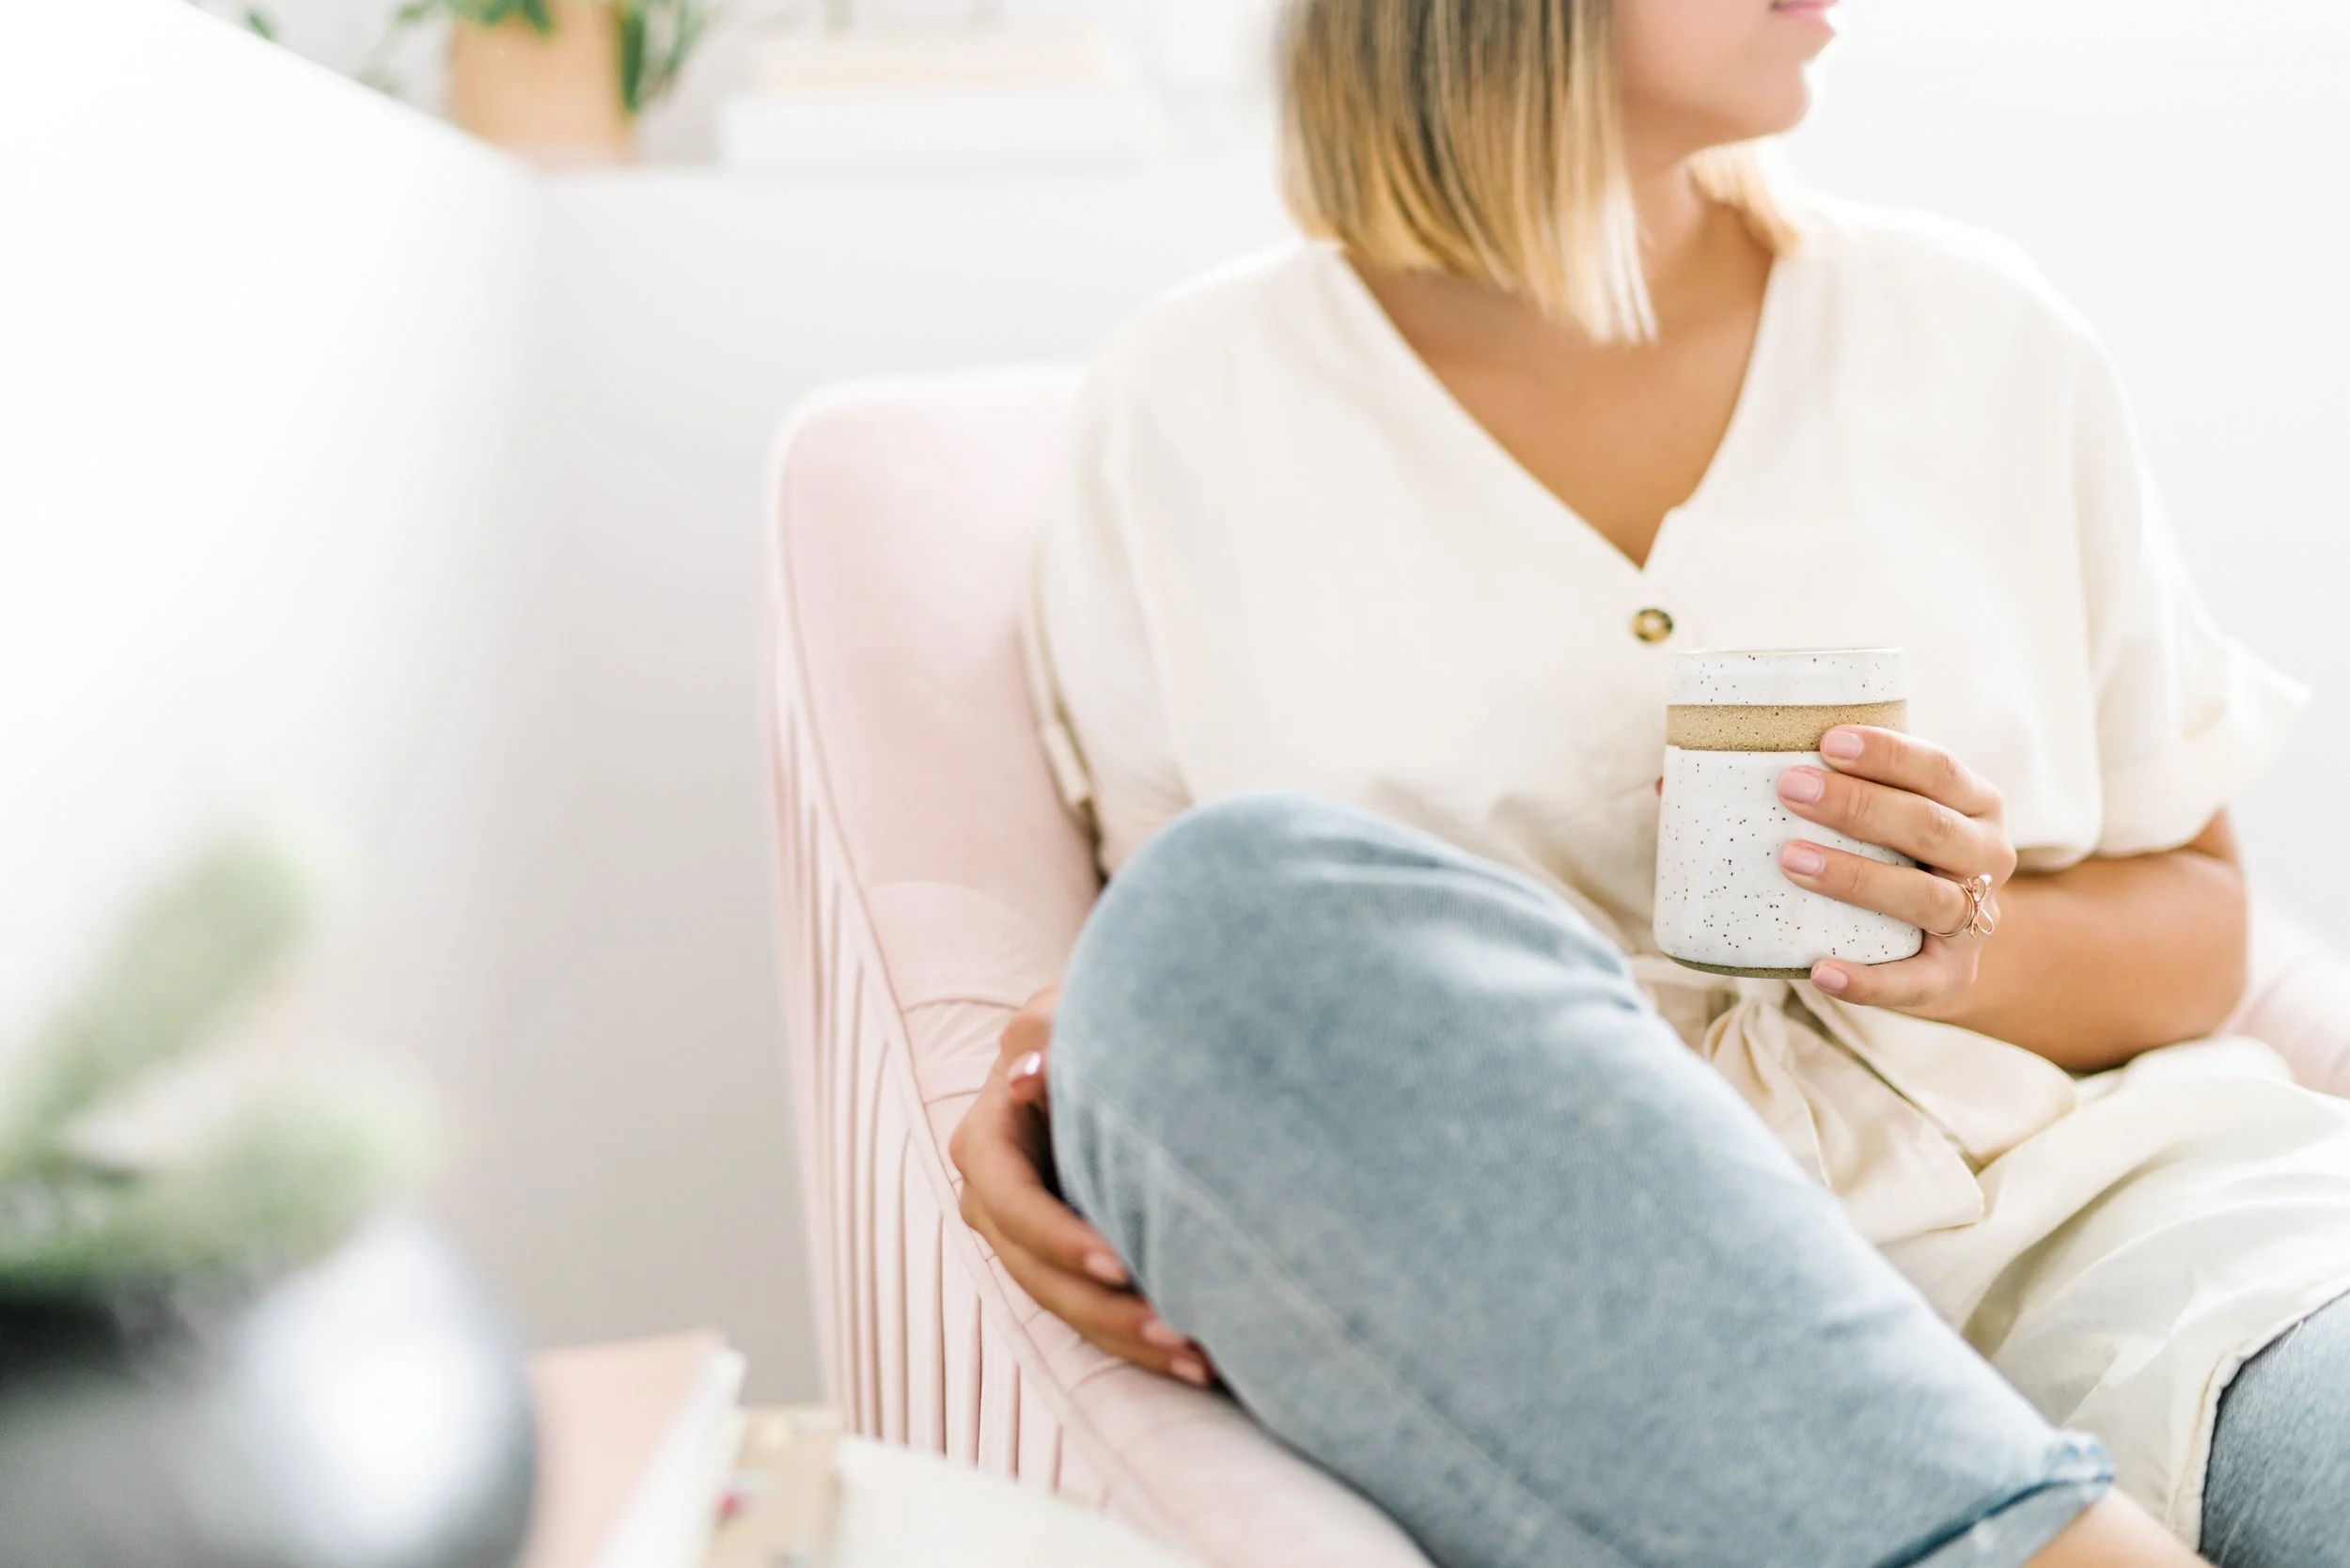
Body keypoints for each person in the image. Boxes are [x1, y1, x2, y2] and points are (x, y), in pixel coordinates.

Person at [948, 2, 2350, 1563]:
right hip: (1594, 1309)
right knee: (1229, 911)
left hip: (2119, 1234)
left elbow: (2200, 928)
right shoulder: (1192, 407)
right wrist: (1069, 1074)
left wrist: (1964, 941)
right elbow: (1212, 976)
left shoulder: (1985, 338)